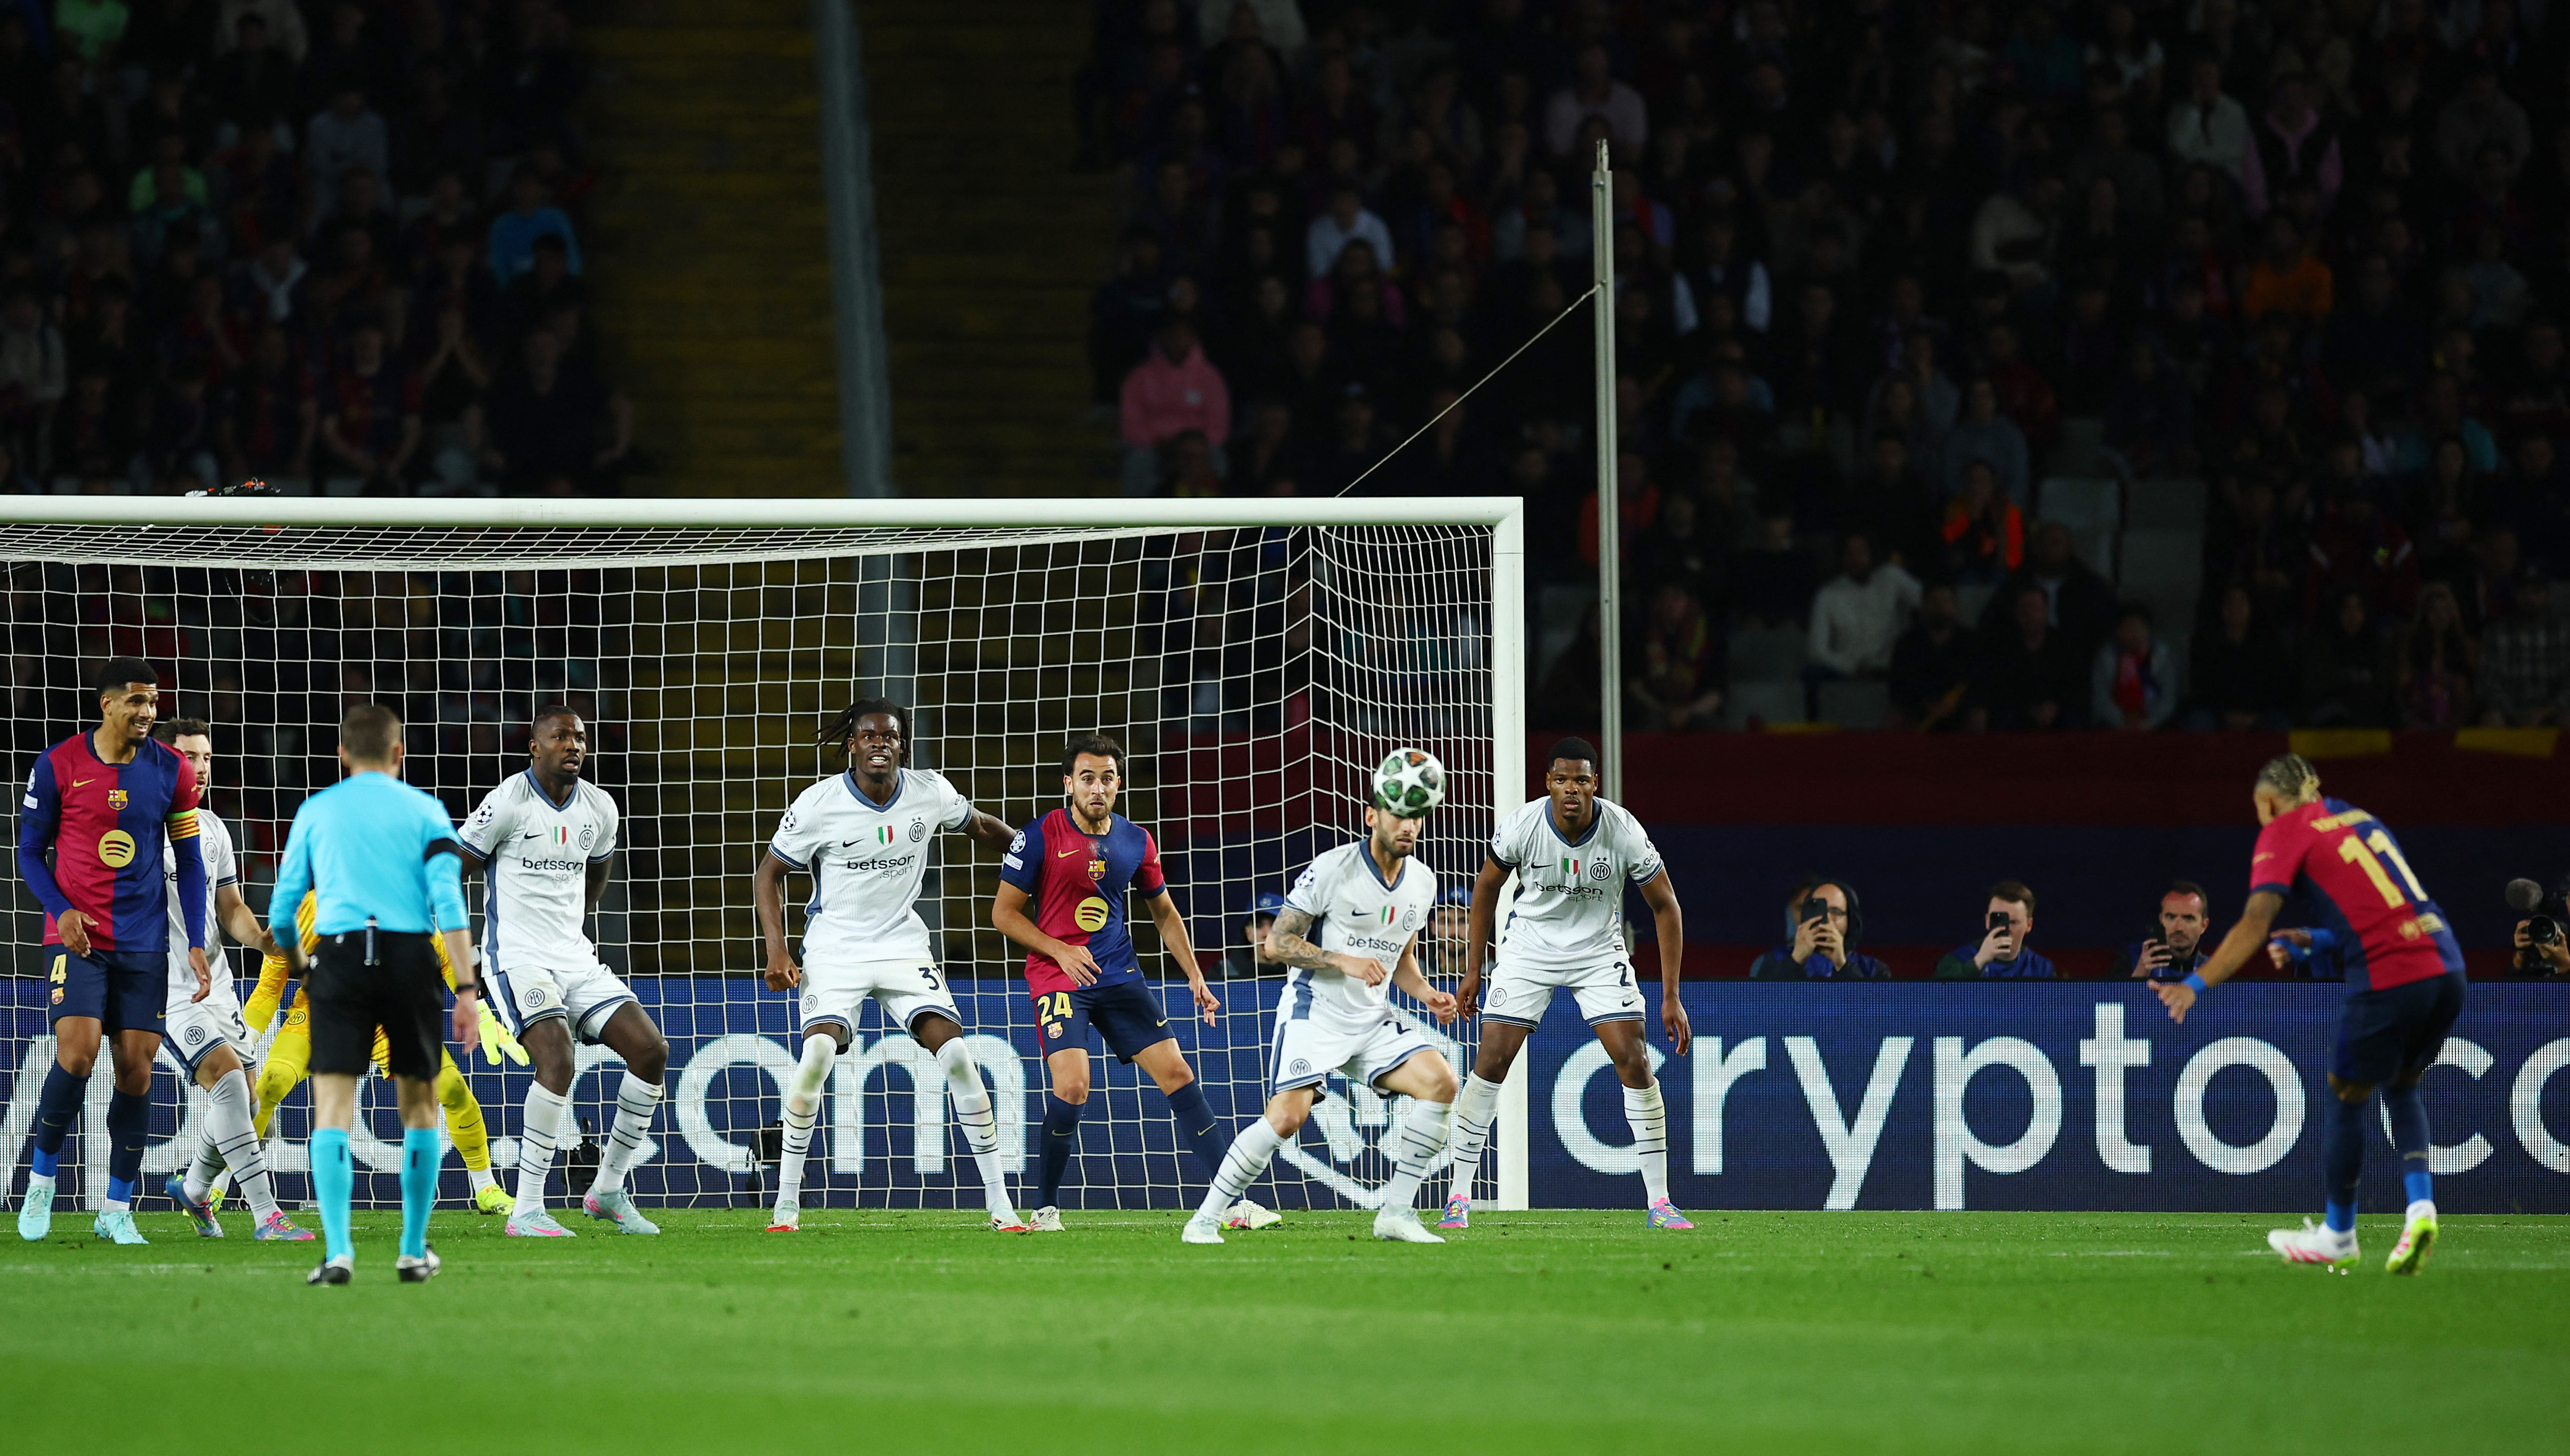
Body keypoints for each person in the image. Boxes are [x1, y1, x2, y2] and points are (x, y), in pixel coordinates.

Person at [2154, 754, 2465, 1275]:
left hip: (2390, 978)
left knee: (2345, 1095)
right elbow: (2391, 908)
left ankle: (2339, 1232)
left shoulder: (2284, 829)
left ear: (2270, 800)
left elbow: (2254, 923)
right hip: (2446, 968)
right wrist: (2313, 941)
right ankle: (2420, 1208)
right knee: (2403, 1085)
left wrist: (2193, 983)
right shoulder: (2358, 818)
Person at [754, 700, 1025, 1233]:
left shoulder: (930, 792)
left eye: (890, 736)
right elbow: (769, 874)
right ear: (852, 744)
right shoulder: (818, 804)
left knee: (959, 1057)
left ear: (903, 745)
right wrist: (777, 950)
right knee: (815, 1059)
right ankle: (786, 1202)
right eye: (868, 735)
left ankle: (1001, 1203)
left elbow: (981, 826)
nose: (880, 743)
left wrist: (1033, 850)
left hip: (903, 946)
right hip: (835, 948)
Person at [992, 735, 1264, 1232]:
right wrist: (1059, 948)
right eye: (1088, 777)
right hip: (1058, 976)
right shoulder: (1038, 836)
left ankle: (1231, 1200)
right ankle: (1046, 1206)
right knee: (1073, 1086)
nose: (1098, 787)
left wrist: (1196, 975)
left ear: (1119, 782)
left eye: (1108, 777)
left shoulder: (1136, 839)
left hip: (1118, 973)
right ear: (1069, 782)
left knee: (1178, 1074)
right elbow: (1003, 914)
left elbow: (1163, 911)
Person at [1182, 781, 1460, 1245]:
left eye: (1416, 816)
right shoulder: (1334, 868)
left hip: (1371, 1020)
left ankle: (1396, 1213)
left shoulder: (1423, 882)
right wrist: (1340, 960)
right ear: (1371, 817)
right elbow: (1277, 943)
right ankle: (1205, 1219)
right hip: (1316, 1013)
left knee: (1442, 1083)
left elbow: (1400, 958)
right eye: (1396, 814)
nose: (1407, 824)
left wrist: (1427, 993)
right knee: (1287, 1119)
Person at [1443, 738, 1693, 1230]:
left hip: (1598, 951)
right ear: (1548, 784)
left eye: (1581, 779)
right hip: (1528, 949)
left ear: (1594, 783)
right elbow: (1486, 887)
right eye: (1562, 780)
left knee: (1635, 1060)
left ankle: (1660, 1202)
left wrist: (1670, 996)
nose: (1571, 789)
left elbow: (1666, 906)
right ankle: (1457, 1196)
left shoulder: (1622, 830)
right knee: (1490, 1060)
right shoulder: (1523, 825)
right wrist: (1475, 968)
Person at [270, 702, 477, 1285]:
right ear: (398, 753)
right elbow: (451, 905)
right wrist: (465, 987)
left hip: (337, 957)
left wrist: (303, 965)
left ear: (342, 754)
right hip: (410, 957)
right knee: (420, 1109)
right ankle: (412, 1252)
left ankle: (339, 1254)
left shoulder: (316, 810)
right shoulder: (426, 810)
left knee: (332, 1108)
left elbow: (283, 911)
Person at [14, 658, 209, 1246]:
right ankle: (42, 1180)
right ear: (107, 704)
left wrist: (195, 940)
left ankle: (116, 1206)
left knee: (136, 1069)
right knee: (76, 1054)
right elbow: (29, 852)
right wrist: (61, 908)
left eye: (152, 702)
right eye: (137, 701)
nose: (148, 711)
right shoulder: (58, 764)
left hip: (145, 941)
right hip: (76, 937)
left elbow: (192, 861)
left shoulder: (171, 770)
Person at [458, 708, 673, 1237]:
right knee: (557, 1057)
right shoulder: (509, 801)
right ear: (535, 747)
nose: (572, 744)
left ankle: (607, 1190)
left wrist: (572, 926)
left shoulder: (600, 807)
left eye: (579, 736)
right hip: (517, 956)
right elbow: (452, 867)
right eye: (560, 736)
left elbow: (598, 869)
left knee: (652, 1050)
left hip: (574, 955)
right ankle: (528, 1208)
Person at [212, 879, 514, 1219]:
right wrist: (244, 1040)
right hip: (321, 1014)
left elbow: (445, 959)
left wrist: (482, 1011)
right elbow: (269, 988)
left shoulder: (402, 903)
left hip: (390, 1018)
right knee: (271, 1082)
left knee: (452, 1088)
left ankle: (486, 1188)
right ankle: (217, 1185)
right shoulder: (306, 912)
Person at [148, 718, 309, 1241]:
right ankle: (267, 1214)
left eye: (206, 758)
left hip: (216, 982)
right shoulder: (139, 827)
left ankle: (196, 1189)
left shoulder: (212, 826)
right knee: (229, 1080)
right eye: (188, 757)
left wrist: (262, 940)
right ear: (162, 760)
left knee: (250, 1097)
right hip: (167, 986)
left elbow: (230, 905)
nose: (199, 768)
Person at [1749, 878, 1890, 979]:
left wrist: (1842, 965)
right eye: (1818, 911)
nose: (1827, 920)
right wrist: (1796, 960)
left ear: (1851, 921)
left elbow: (1870, 1016)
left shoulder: (1873, 969)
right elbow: (1767, 1012)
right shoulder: (1770, 962)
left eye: (1836, 912)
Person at [1935, 881, 2055, 978]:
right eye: (1999, 920)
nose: (2006, 929)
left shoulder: (2042, 969)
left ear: (2029, 925)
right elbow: (1941, 1001)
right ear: (1987, 921)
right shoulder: (1956, 961)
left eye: (2013, 922)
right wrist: (1978, 962)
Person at [2091, 603, 2179, 731]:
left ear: (2148, 630)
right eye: (2129, 628)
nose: (2134, 633)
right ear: (2119, 631)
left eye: (2139, 627)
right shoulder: (2107, 657)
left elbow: (2168, 698)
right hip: (2116, 722)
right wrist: (2121, 722)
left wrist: (2149, 724)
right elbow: (2101, 697)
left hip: (2154, 721)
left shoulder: (2162, 656)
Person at [2109, 881, 2213, 981]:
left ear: (2204, 925)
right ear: (2161, 919)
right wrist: (2138, 977)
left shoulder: (2213, 970)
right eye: (2171, 917)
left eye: (2188, 918)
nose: (2178, 928)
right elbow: (2107, 999)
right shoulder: (2131, 958)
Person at [1222, 892, 1286, 978]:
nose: (1267, 934)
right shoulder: (1224, 973)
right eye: (1258, 925)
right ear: (1248, 932)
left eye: (1275, 925)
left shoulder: (1304, 974)